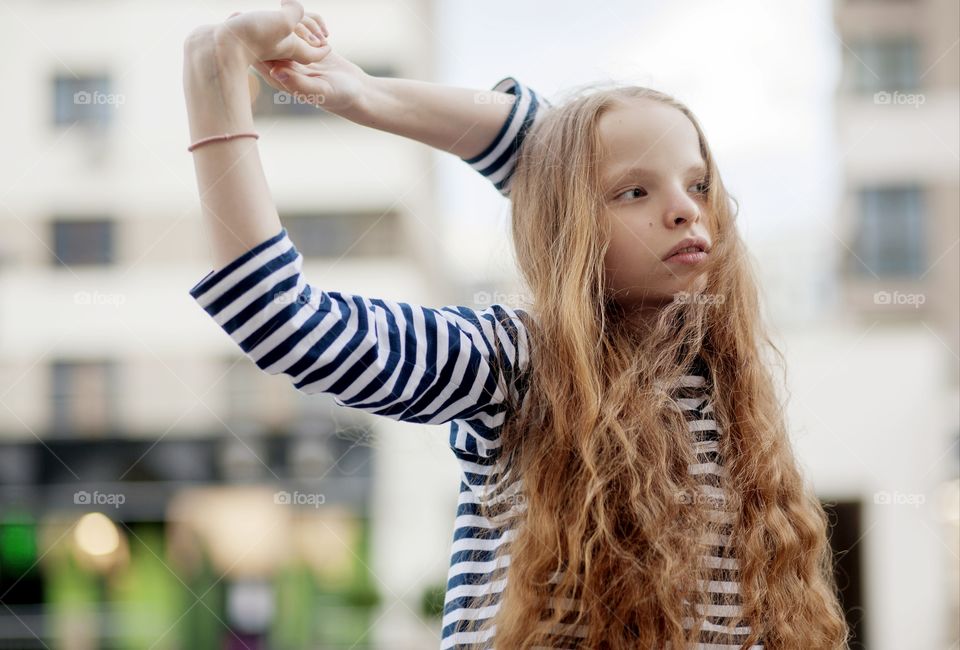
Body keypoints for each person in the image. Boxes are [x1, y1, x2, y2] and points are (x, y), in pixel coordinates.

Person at [182, 2, 850, 648]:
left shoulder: (726, 385)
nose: (684, 210)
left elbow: (550, 145)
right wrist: (219, 81)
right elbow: (279, 317)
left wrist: (362, 89)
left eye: (698, 183)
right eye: (634, 192)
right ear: (567, 229)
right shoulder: (516, 363)